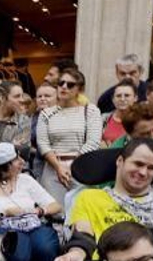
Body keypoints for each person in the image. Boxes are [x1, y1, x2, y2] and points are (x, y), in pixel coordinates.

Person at [36, 65, 104, 203]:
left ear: (80, 89)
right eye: (61, 83)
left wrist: (73, 166)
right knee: (55, 214)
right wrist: (58, 167)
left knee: (80, 214)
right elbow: (43, 143)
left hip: (82, 168)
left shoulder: (90, 111)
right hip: (53, 169)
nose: (64, 87)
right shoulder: (46, 113)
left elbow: (93, 142)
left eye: (70, 84)